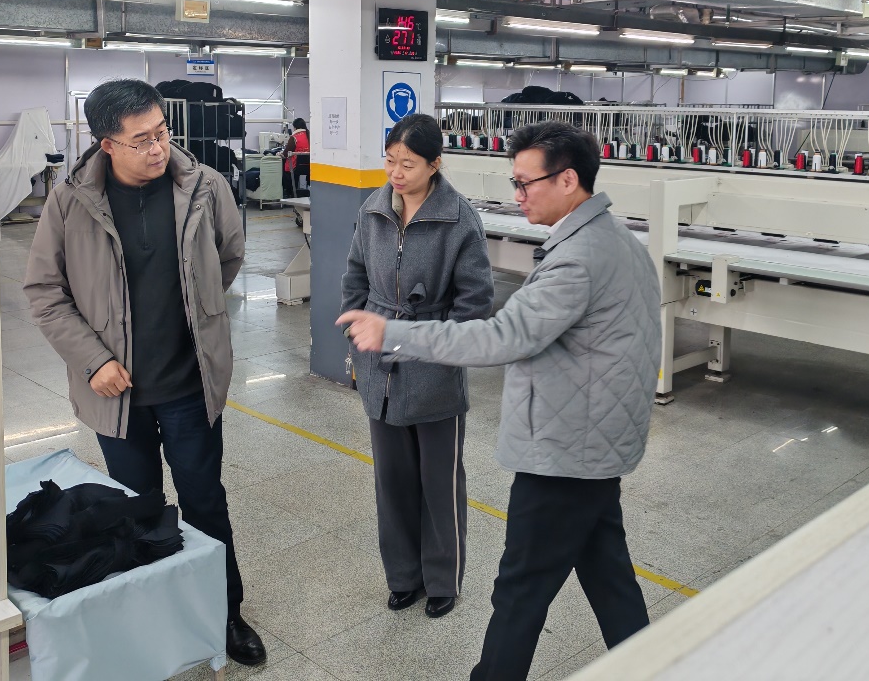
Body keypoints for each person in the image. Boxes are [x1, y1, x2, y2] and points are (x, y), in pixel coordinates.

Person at [338, 121, 661, 681]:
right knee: (607, 573)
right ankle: (654, 664)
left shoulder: (578, 258)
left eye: (525, 183)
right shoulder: (617, 240)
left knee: (520, 588)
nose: (518, 196)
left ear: (567, 180)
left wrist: (394, 333)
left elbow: (500, 335)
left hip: (566, 451)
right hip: (596, 441)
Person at [23, 79, 266, 667]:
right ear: (107, 144)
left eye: (162, 133)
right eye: (141, 140)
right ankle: (157, 621)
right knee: (138, 511)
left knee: (205, 504)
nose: (158, 149)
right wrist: (95, 360)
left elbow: (229, 256)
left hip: (189, 387)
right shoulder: (70, 202)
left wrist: (198, 313)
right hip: (116, 394)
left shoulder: (204, 186)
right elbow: (45, 292)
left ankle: (224, 613)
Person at [341, 114, 493, 619]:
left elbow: (475, 302)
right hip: (380, 366)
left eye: (408, 164)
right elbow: (355, 275)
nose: (396, 173)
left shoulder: (459, 220)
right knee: (392, 482)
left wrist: (436, 343)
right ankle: (403, 576)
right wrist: (357, 329)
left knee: (439, 485)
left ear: (435, 164)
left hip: (433, 367)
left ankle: (443, 579)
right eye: (390, 161)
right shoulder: (373, 210)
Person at [283, 117, 310, 196]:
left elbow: (286, 153)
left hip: (296, 167)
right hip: (309, 166)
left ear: (295, 127)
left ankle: (289, 192)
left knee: (285, 167)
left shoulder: (294, 137)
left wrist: (280, 153)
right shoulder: (310, 135)